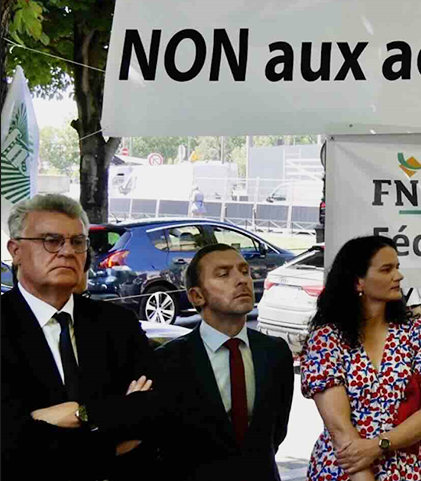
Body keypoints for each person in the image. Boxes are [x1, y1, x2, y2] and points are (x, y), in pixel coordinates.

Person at [1, 194, 154, 480]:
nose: (67, 252)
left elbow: (150, 414)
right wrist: (112, 430)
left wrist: (80, 413)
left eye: (77, 242)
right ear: (16, 250)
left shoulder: (117, 323)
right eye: (51, 240)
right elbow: (10, 444)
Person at [301, 235, 421, 481]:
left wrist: (379, 445)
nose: (398, 276)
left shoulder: (416, 332)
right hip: (345, 467)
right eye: (387, 269)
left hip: (406, 468)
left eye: (397, 267)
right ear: (358, 281)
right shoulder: (326, 339)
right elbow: (340, 432)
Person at [146, 243, 294, 480]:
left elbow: (275, 432)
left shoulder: (275, 352)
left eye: (244, 271)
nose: (242, 280)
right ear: (197, 295)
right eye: (224, 274)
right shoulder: (168, 361)